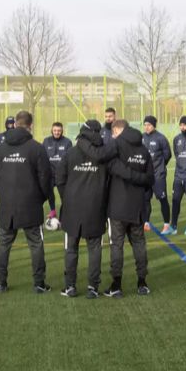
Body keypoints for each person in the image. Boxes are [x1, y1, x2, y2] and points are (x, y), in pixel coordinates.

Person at [0, 110, 53, 294]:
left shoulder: (1, 148)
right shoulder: (36, 147)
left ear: (15, 124)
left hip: (7, 205)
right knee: (35, 244)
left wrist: (3, 193)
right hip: (30, 205)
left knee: (3, 244)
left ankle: (1, 283)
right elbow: (45, 178)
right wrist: (40, 198)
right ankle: (39, 283)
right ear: (30, 125)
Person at [58, 120, 116, 299]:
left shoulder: (70, 153)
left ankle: (70, 287)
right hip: (96, 208)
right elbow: (109, 182)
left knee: (71, 249)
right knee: (94, 248)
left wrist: (66, 198)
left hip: (72, 208)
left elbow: (60, 179)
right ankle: (92, 287)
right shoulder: (104, 155)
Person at [103, 120, 154, 298]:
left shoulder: (115, 145)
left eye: (113, 132)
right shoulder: (144, 149)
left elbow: (106, 165)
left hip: (117, 205)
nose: (112, 136)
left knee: (116, 245)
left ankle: (116, 284)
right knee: (139, 244)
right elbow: (150, 179)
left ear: (117, 130)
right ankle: (142, 282)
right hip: (137, 206)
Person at [142, 115, 172, 233]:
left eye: (149, 125)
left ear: (154, 125)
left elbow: (167, 155)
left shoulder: (161, 138)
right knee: (145, 199)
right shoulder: (141, 138)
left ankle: (166, 225)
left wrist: (159, 166)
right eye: (145, 125)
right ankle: (146, 222)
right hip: (145, 175)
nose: (146, 127)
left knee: (162, 198)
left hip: (158, 174)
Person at [170, 116, 186, 236]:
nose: (182, 127)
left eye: (184, 125)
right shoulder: (176, 139)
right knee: (175, 201)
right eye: (180, 125)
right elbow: (177, 154)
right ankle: (173, 226)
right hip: (178, 177)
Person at [41, 122, 72, 219]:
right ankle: (53, 211)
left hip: (62, 174)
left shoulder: (67, 142)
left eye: (59, 131)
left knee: (65, 196)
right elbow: (42, 157)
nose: (57, 132)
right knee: (49, 193)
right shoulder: (46, 141)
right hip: (49, 174)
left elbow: (69, 158)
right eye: (55, 130)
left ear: (62, 131)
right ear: (52, 130)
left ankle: (64, 216)